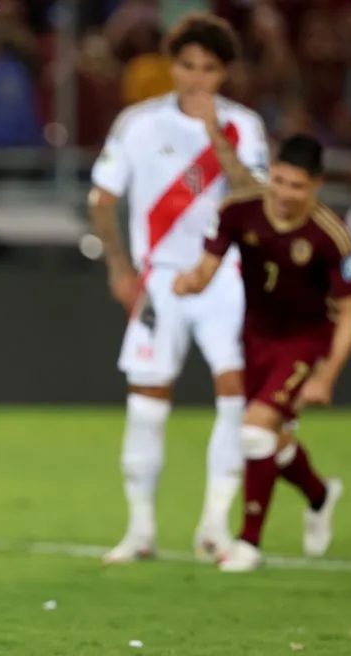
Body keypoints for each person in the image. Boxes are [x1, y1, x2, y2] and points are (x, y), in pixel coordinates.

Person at [88, 13, 270, 564]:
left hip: (226, 278)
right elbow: (102, 199)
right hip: (160, 279)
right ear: (173, 66)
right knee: (147, 403)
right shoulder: (137, 124)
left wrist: (215, 132)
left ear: (225, 73)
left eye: (208, 69)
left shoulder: (244, 126)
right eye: (187, 66)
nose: (195, 78)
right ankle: (140, 530)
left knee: (234, 398)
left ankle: (215, 525)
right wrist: (119, 269)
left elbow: (255, 199)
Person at [174, 134, 351, 572]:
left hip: (306, 341)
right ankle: (319, 495)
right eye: (278, 180)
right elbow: (207, 268)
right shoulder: (239, 210)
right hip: (256, 338)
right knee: (270, 441)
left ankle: (248, 544)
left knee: (254, 431)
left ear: (315, 185)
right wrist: (191, 282)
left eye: (296, 186)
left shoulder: (331, 236)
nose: (283, 194)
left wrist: (326, 376)